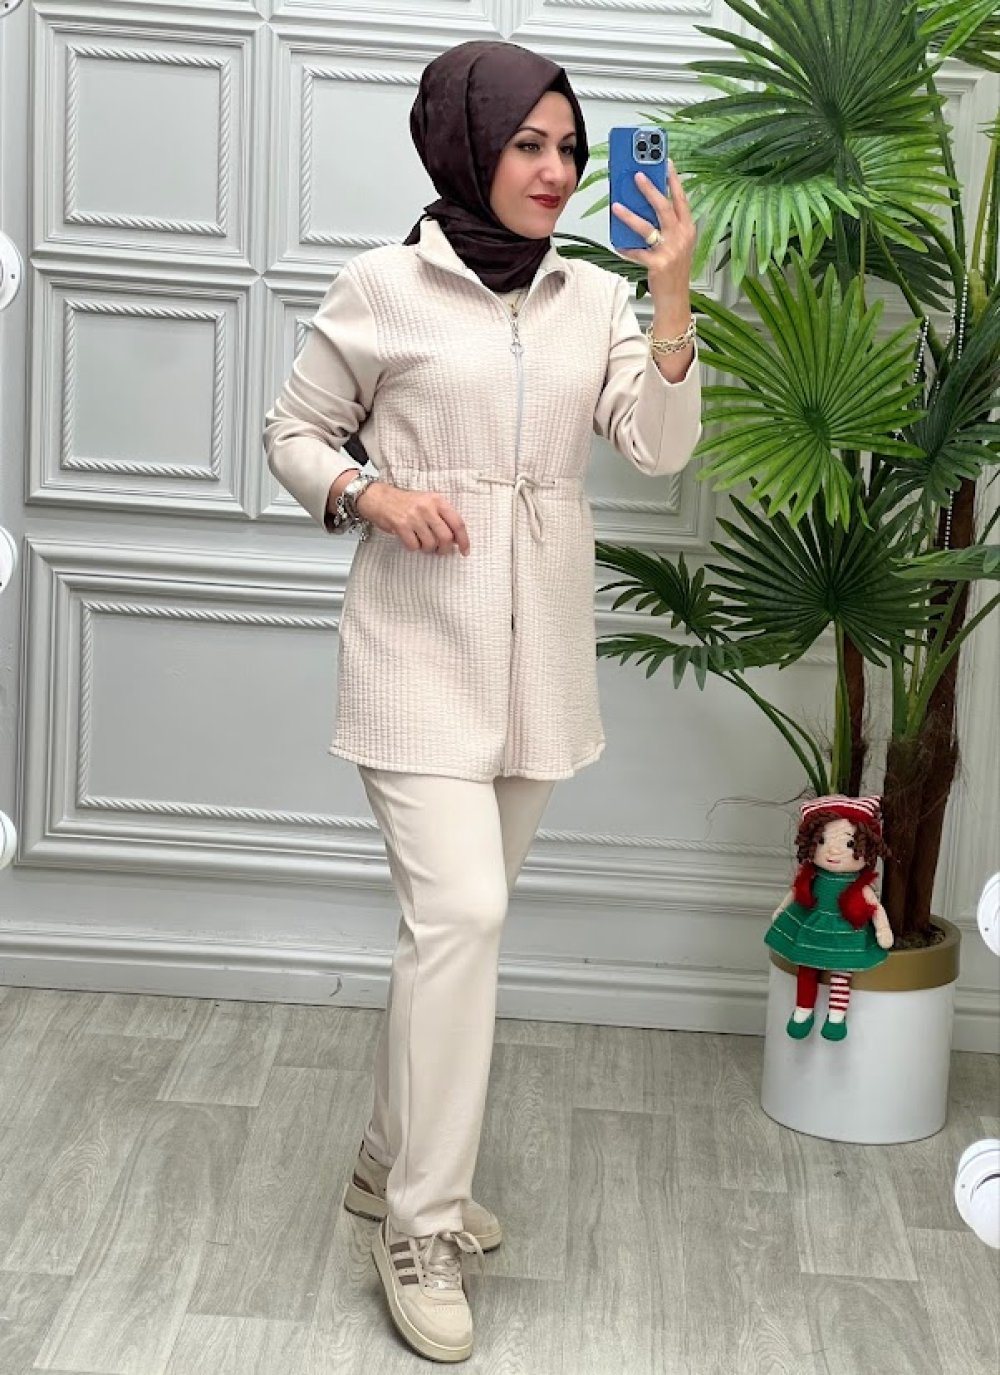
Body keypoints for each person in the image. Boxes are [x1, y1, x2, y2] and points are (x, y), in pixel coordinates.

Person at [264, 38, 701, 1365]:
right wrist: (370, 494)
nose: (556, 171)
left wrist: (670, 292)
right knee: (463, 915)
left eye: (570, 148)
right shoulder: (382, 286)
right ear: (466, 145)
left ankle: (383, 1155)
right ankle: (420, 1223)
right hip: (416, 651)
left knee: (448, 933)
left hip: (538, 664)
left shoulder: (592, 297)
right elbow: (293, 434)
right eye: (528, 144)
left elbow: (660, 446)